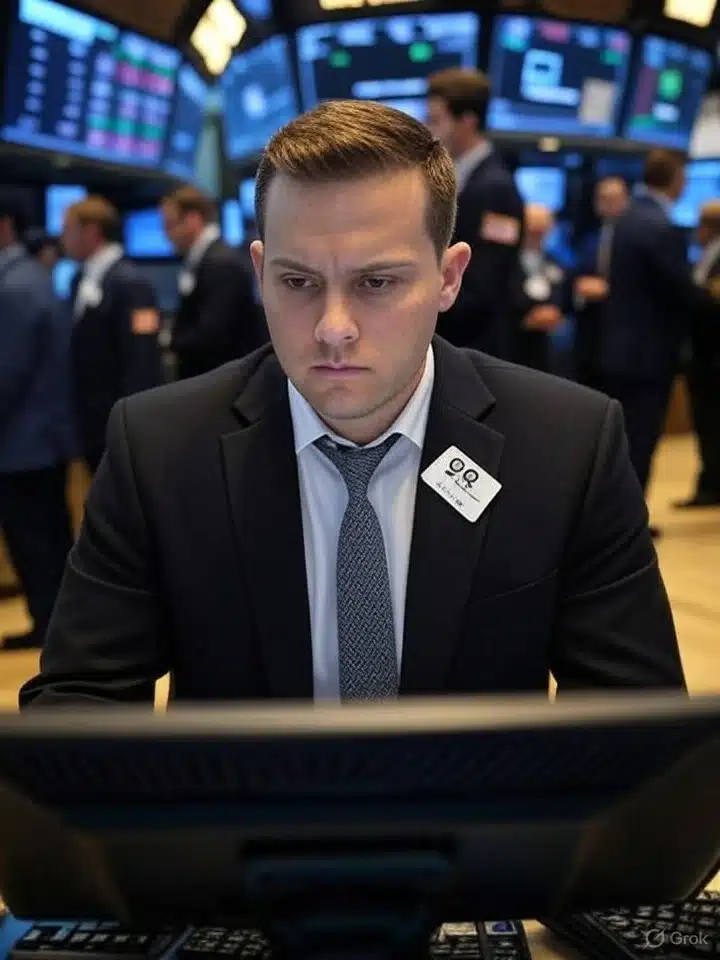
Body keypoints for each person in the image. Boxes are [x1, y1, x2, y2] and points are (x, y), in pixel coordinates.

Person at [20, 100, 684, 708]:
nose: (333, 327)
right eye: (298, 281)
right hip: (242, 826)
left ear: (448, 278)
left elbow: (636, 726)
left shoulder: (567, 445)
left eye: (377, 281)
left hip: (484, 833)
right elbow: (80, 706)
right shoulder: (158, 448)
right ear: (260, 272)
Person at [599, 150, 719, 511]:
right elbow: (679, 290)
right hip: (649, 353)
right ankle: (631, 520)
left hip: (620, 347)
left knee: (624, 437)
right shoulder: (660, 226)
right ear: (676, 179)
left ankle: (618, 516)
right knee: (641, 437)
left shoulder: (628, 218)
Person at [0, 200, 75, 651]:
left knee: (36, 544)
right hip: (40, 437)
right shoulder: (30, 278)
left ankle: (51, 629)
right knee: (47, 539)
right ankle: (52, 626)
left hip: (22, 442)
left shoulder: (13, 287)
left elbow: (7, 373)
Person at [426, 68, 524, 358]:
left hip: (476, 346)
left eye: (435, 120)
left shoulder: (495, 188)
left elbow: (485, 286)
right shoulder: (462, 179)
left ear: (467, 122)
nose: (428, 129)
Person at [63, 196, 164, 474]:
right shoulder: (78, 279)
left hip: (119, 422)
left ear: (92, 232)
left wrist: (132, 427)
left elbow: (143, 361)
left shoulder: (131, 283)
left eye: (68, 229)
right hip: (89, 421)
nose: (63, 238)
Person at [161, 186, 263, 380]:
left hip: (223, 381)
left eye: (169, 224)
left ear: (192, 220)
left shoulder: (221, 263)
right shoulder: (207, 258)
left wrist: (169, 341)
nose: (167, 234)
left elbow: (212, 336)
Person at [676, 200, 720, 509]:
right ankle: (710, 483)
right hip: (702, 357)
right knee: (706, 422)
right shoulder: (707, 255)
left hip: (715, 356)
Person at [572, 178, 629, 388]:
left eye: (613, 199)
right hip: (589, 330)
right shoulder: (588, 239)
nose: (607, 204)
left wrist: (609, 290)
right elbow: (575, 276)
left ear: (625, 200)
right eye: (602, 199)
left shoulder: (637, 240)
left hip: (622, 332)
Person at [510, 203, 566, 372]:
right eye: (533, 228)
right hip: (514, 347)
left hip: (548, 351)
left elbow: (564, 297)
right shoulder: (507, 263)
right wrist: (525, 320)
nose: (537, 233)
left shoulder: (555, 262)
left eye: (542, 229)